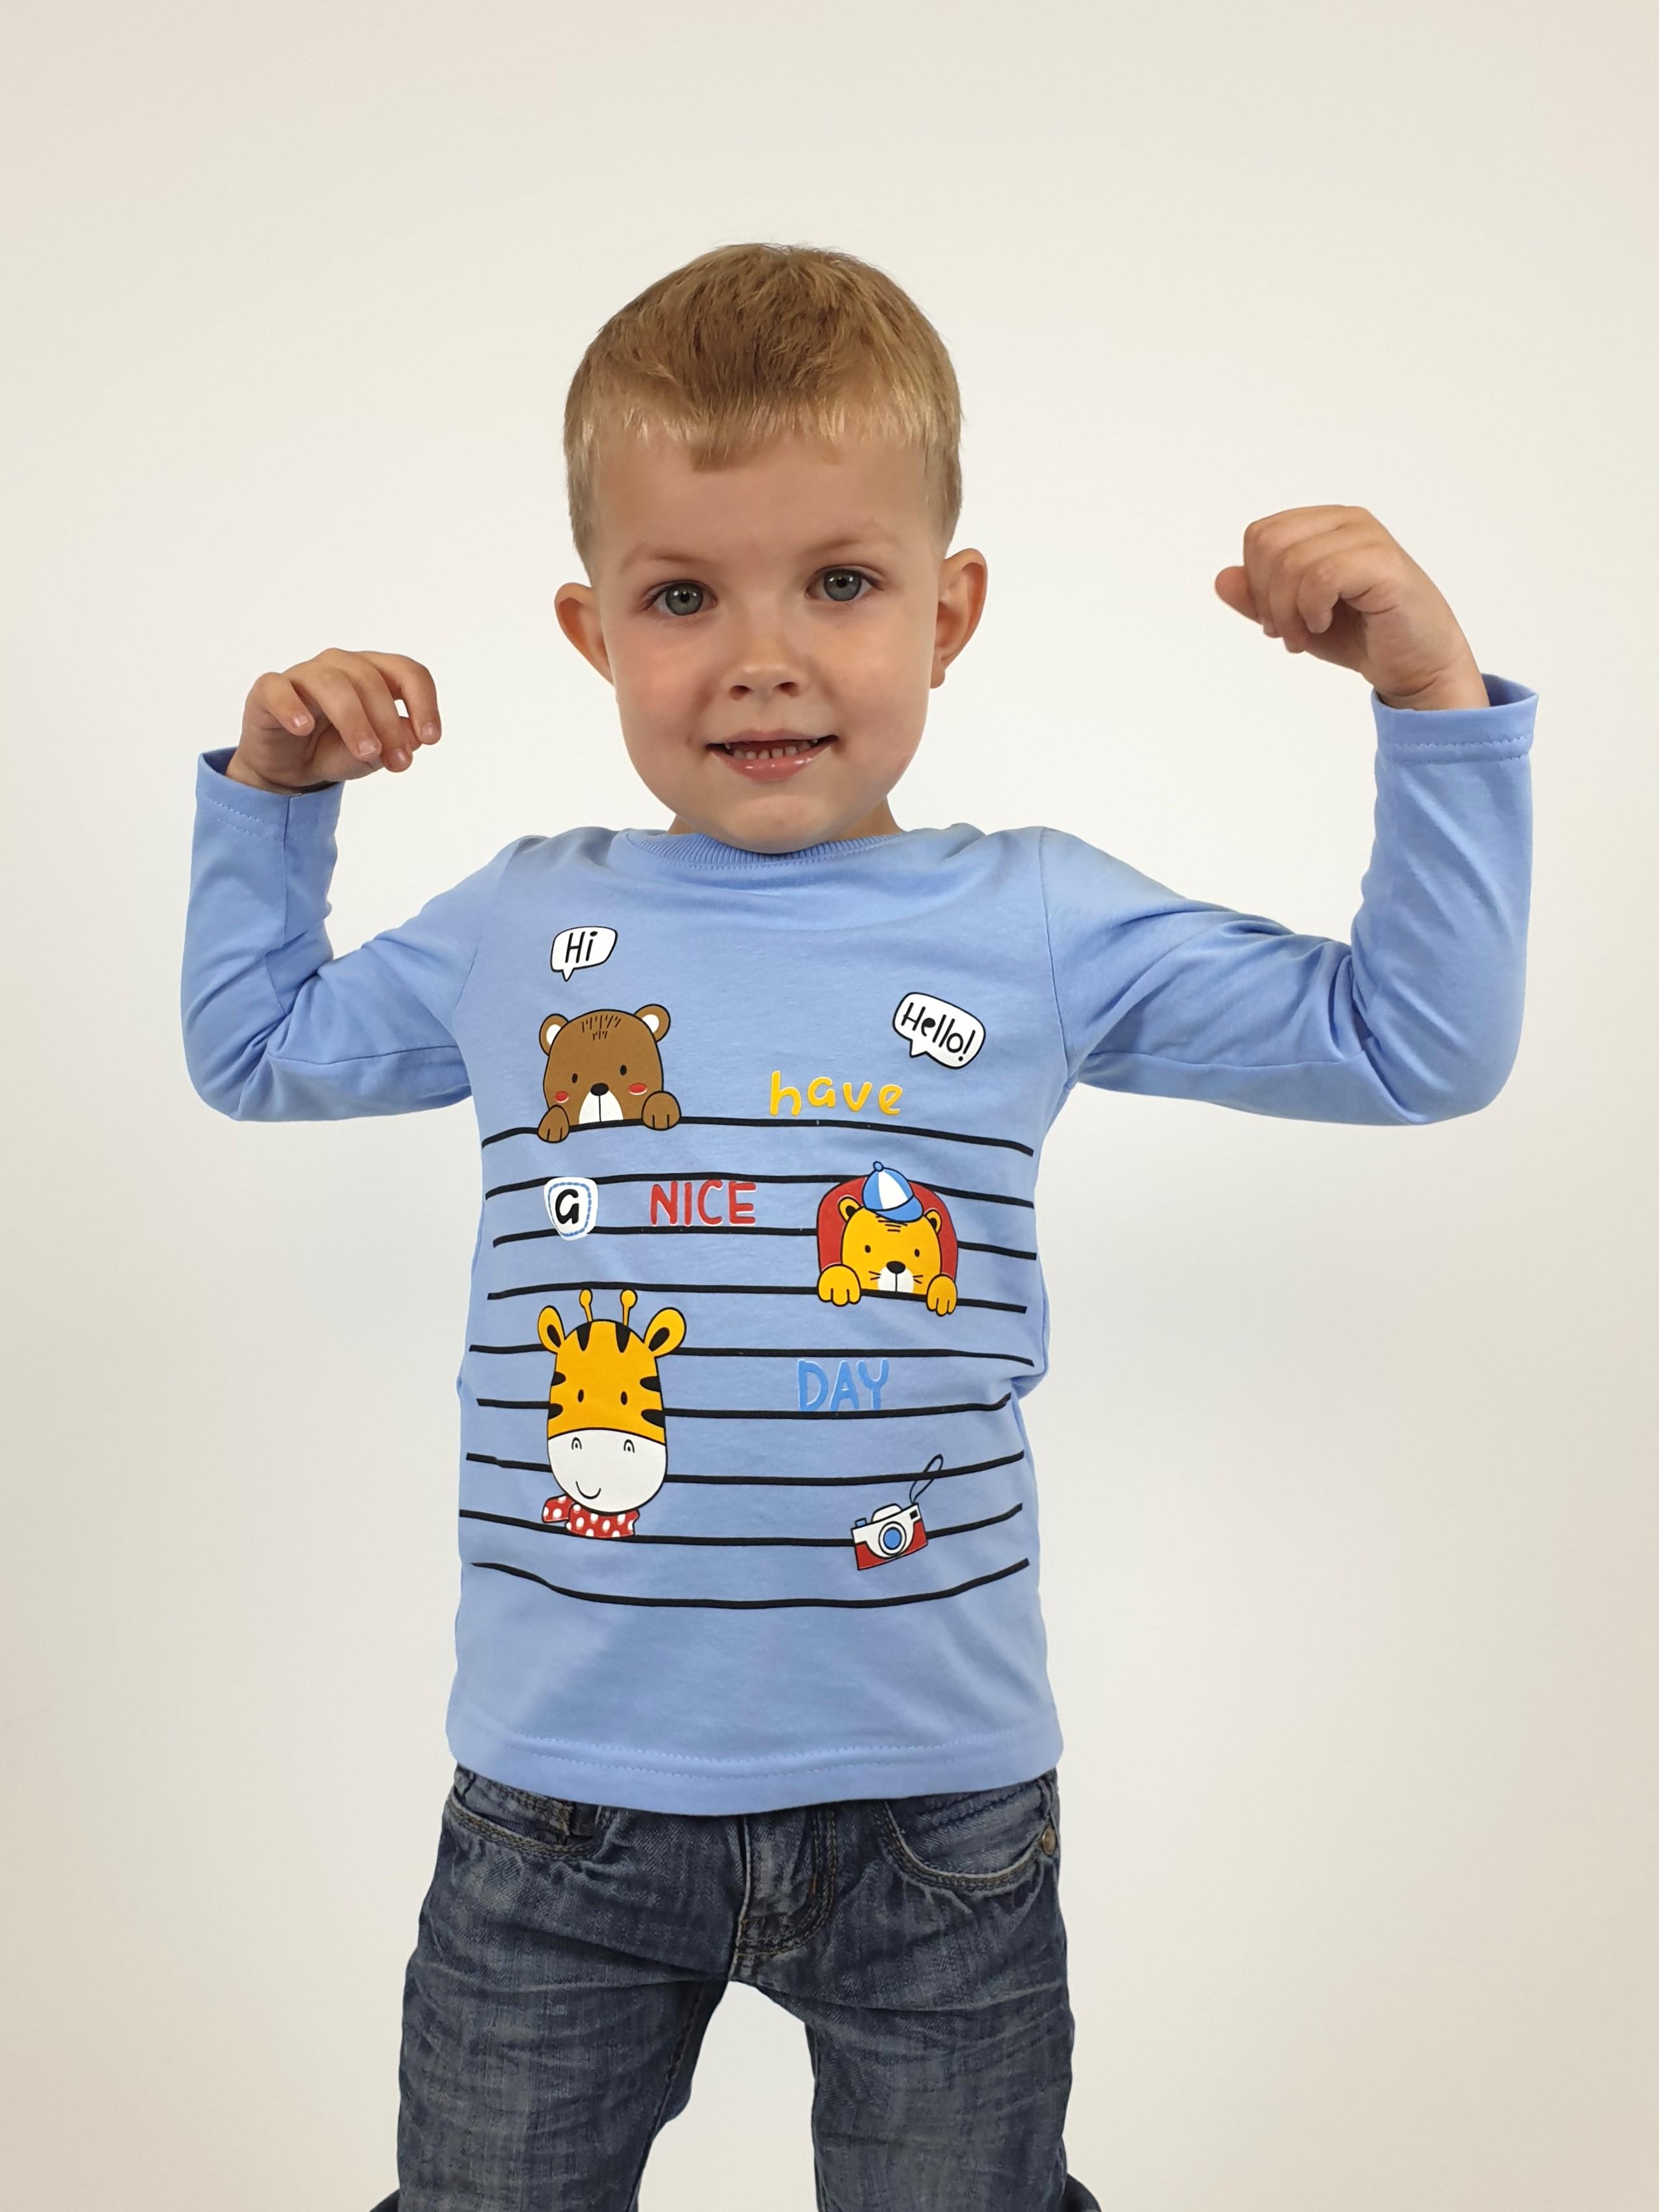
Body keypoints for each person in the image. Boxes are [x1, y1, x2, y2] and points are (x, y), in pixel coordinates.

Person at [178, 241, 1535, 2212]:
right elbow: (255, 1053)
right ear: (589, 631)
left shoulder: (1035, 919)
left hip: (938, 1822)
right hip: (559, 1815)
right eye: (681, 596)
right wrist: (271, 802)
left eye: (839, 582)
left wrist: (1430, 700)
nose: (763, 656)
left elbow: (1413, 1046)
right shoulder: (519, 919)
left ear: (948, 609)